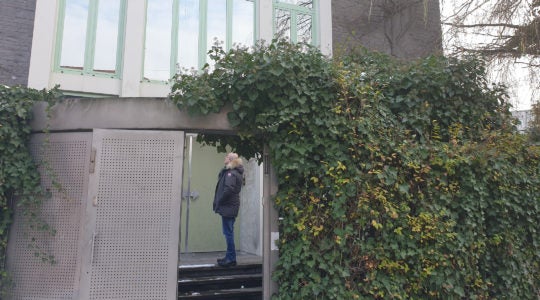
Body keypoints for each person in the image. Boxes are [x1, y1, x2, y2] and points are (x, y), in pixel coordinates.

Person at [213, 152, 244, 267]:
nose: (224, 158)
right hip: (230, 206)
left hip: (228, 206)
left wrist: (220, 200)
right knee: (228, 232)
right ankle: (229, 257)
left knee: (228, 233)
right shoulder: (233, 172)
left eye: (226, 156)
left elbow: (228, 190)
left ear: (230, 160)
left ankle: (231, 259)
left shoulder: (231, 173)